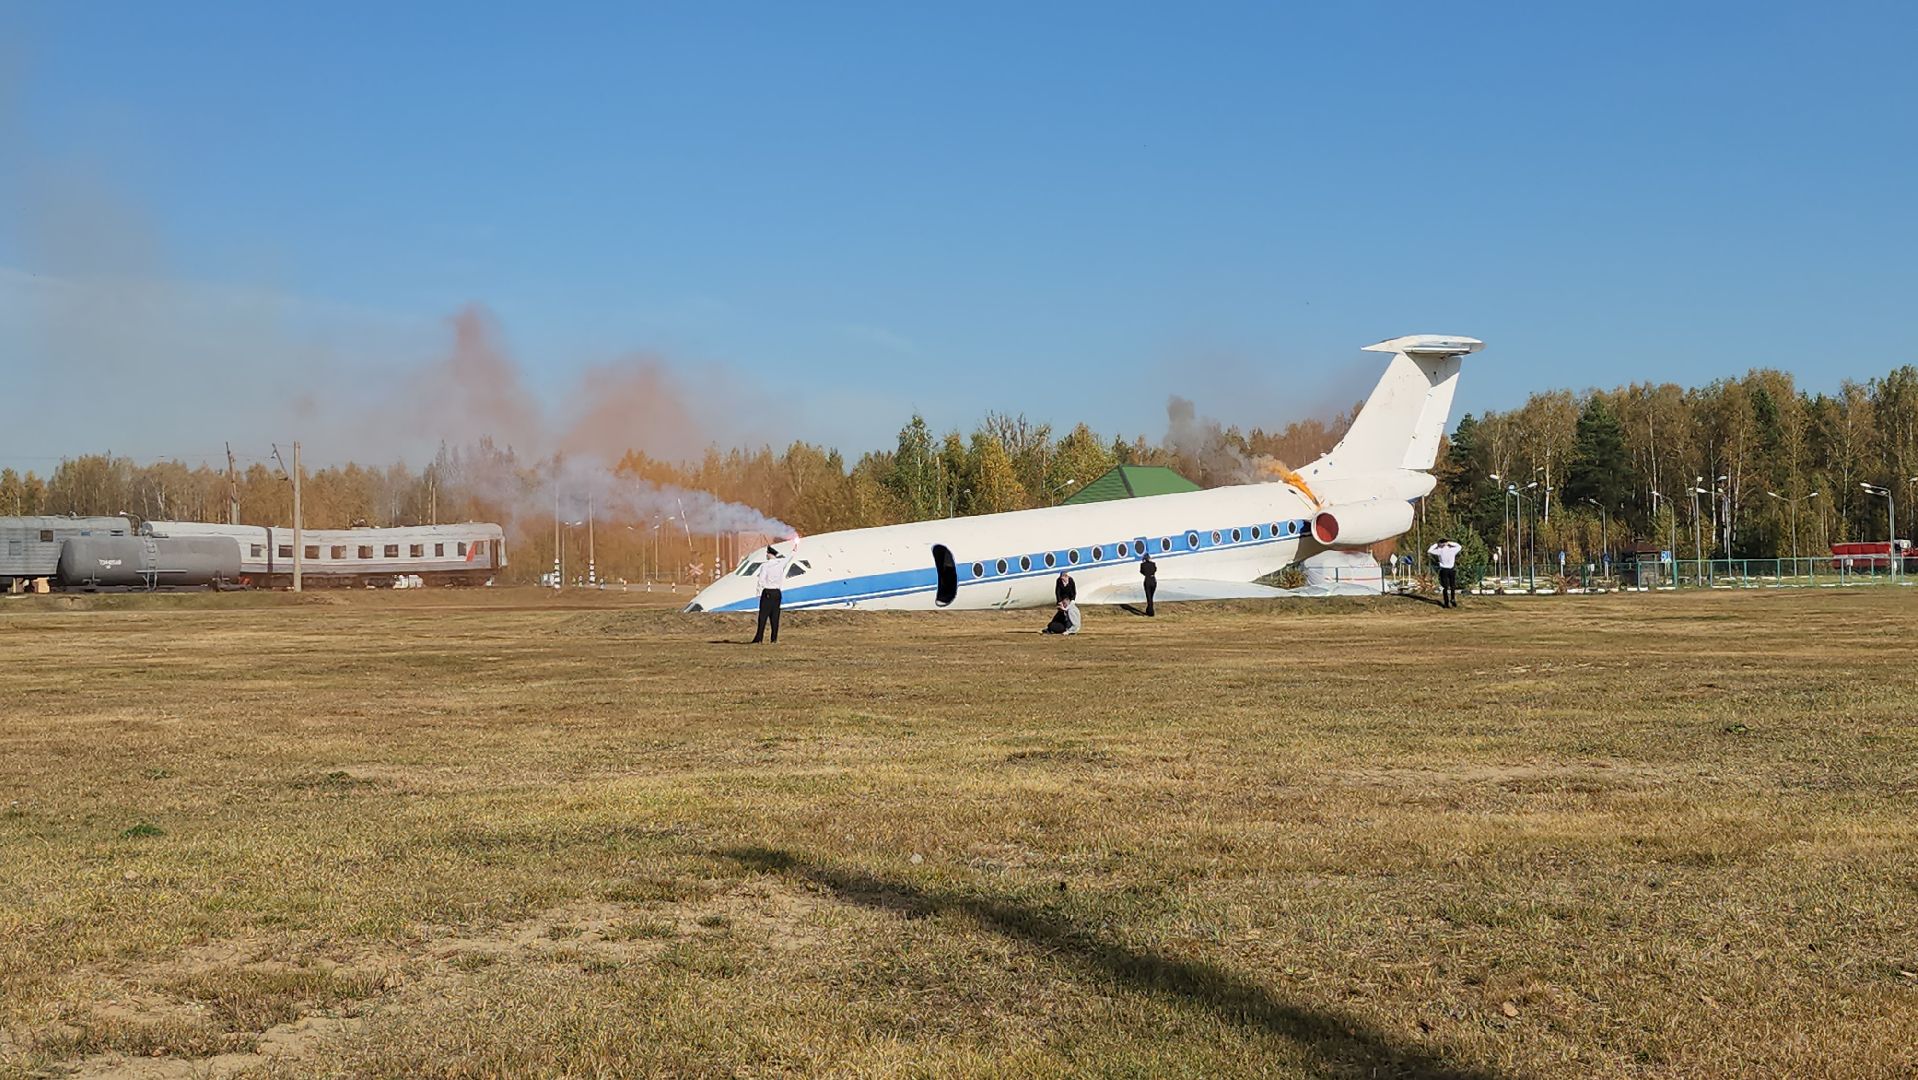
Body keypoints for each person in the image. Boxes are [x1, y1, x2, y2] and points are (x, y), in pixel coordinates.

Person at [749, 543, 791, 643]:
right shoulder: (781, 563)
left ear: (769, 554)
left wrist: (758, 592)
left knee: (763, 616)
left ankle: (759, 638)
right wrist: (795, 548)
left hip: (767, 592)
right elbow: (790, 557)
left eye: (767, 553)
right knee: (775, 617)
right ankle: (774, 639)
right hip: (777, 593)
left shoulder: (765, 565)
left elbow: (761, 580)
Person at [1428, 537, 1463, 608]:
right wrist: (1449, 542)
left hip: (1444, 570)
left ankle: (1446, 602)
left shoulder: (1439, 551)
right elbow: (1459, 546)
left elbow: (1429, 550)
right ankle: (1452, 599)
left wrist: (1436, 544)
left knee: (1445, 587)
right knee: (1453, 586)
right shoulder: (1452, 550)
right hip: (1451, 569)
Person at [1138, 551, 1158, 616]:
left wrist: (1146, 574)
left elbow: (1142, 571)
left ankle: (1150, 612)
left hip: (1147, 580)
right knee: (1151, 596)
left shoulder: (1142, 565)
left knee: (1149, 597)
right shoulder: (1153, 564)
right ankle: (1149, 610)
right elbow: (1155, 570)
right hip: (1153, 580)